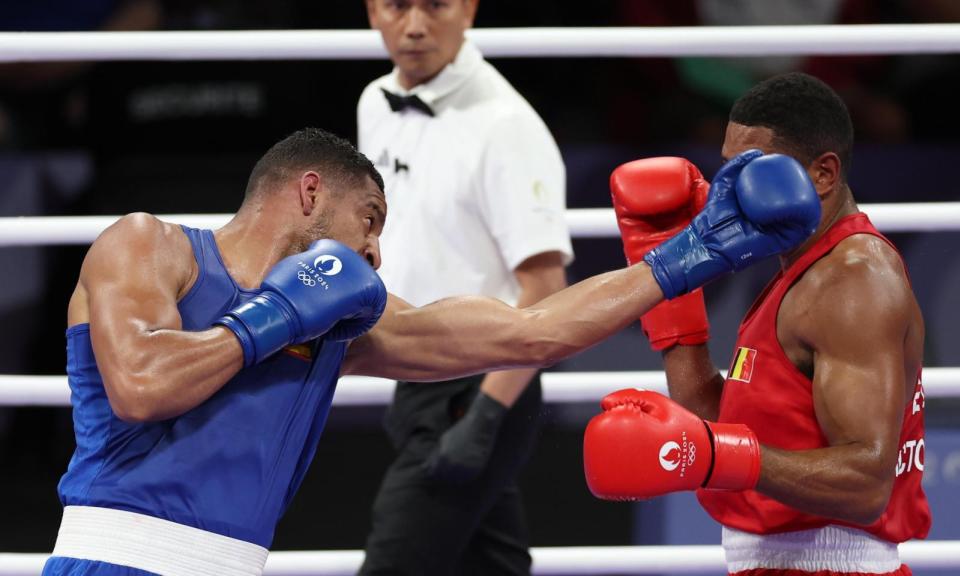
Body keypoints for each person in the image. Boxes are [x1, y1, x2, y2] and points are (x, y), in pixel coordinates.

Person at [43, 124, 818, 575]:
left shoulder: (336, 328)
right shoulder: (151, 245)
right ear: (310, 192)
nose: (375, 255)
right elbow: (140, 385)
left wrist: (687, 257)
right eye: (369, 219)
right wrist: (272, 316)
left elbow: (531, 330)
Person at [583, 72, 931, 575]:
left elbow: (865, 483)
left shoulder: (852, 281)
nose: (732, 189)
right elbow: (719, 427)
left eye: (754, 171)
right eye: (728, 167)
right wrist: (667, 289)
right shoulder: (800, 269)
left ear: (823, 175)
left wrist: (712, 455)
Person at [355, 0, 571, 573]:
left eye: (435, 4)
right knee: (491, 563)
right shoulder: (374, 103)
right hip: (414, 372)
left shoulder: (506, 126)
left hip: (482, 381)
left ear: (469, 9)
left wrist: (484, 416)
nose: (416, 24)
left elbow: (546, 286)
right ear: (374, 10)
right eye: (398, 5)